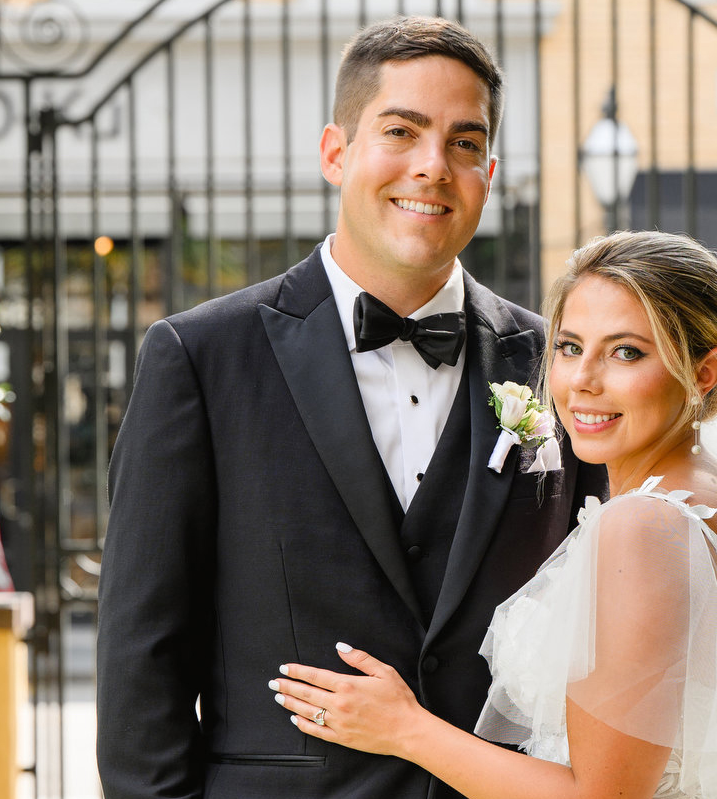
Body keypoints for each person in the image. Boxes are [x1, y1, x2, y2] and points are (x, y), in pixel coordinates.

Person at [95, 16, 605, 799]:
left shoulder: (561, 364)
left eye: (464, 144)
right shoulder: (200, 359)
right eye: (401, 131)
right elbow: (143, 661)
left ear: (490, 173)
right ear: (337, 152)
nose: (433, 166)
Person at [270, 230, 717, 799]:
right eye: (569, 347)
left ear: (705, 372)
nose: (582, 381)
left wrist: (404, 729)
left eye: (625, 353)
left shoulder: (645, 527)